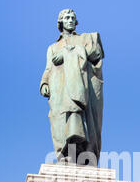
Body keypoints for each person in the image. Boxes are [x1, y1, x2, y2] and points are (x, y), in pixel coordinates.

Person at [40, 9, 104, 165]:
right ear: (60, 22)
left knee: (84, 118)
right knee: (60, 119)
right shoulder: (53, 47)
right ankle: (65, 154)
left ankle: (84, 156)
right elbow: (48, 68)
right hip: (59, 88)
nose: (70, 20)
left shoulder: (84, 40)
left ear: (76, 22)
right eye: (66, 18)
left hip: (83, 86)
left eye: (72, 18)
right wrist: (44, 82)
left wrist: (68, 53)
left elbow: (96, 54)